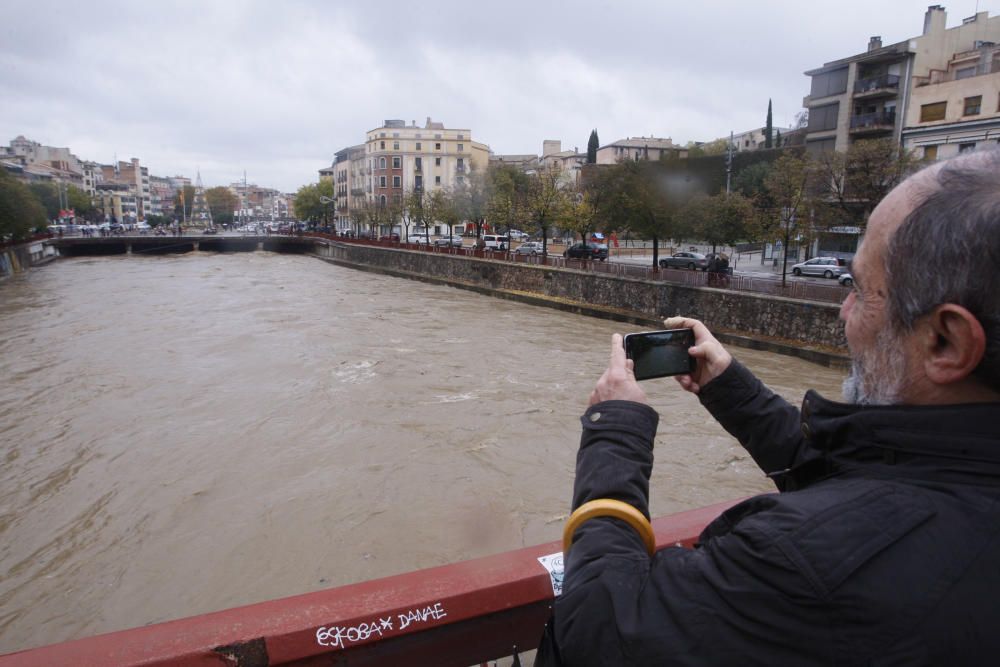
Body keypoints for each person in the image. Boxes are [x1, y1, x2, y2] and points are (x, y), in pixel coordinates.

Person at [542, 149, 1000, 665]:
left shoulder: (799, 561)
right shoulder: (955, 485)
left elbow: (598, 630)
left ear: (946, 341)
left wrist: (615, 430)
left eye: (858, 289)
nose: (843, 313)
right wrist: (731, 389)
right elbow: (871, 480)